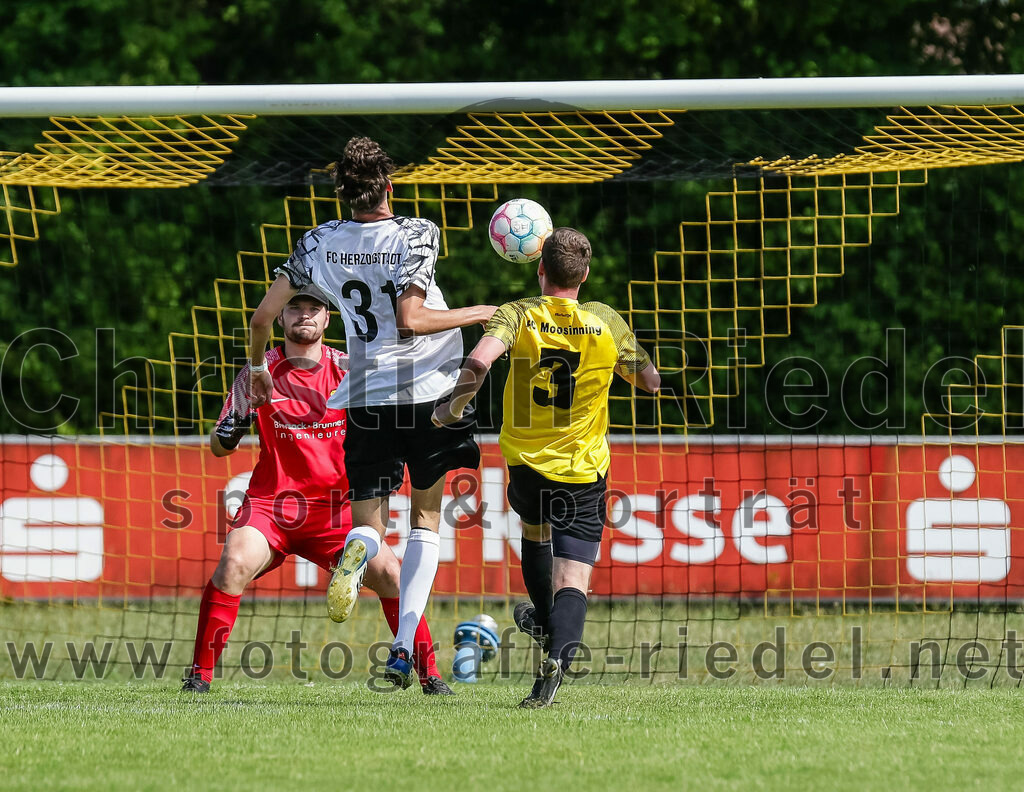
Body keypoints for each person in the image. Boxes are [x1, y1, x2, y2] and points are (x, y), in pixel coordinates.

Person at [247, 137, 496, 690]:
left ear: (342, 191)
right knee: (425, 522)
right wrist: (481, 311)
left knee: (367, 525)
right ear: (389, 186)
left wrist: (259, 368)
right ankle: (403, 646)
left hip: (363, 397)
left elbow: (263, 317)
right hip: (428, 394)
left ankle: (358, 549)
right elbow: (412, 319)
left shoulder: (319, 241)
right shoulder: (416, 232)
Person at [182, 284, 453, 695]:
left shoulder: (349, 369)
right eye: (295, 308)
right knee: (233, 563)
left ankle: (430, 676)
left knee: (392, 576)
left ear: (328, 318)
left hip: (337, 512)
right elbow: (219, 447)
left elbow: (389, 425)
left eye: (314, 308)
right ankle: (198, 678)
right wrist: (235, 424)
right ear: (280, 317)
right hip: (271, 508)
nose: (304, 315)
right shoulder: (258, 372)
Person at [432, 227, 661, 708]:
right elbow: (650, 381)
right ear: (586, 274)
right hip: (582, 469)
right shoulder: (605, 320)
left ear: (540, 269)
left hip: (527, 465)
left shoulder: (518, 313)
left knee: (535, 533)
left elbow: (479, 361)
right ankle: (556, 658)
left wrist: (452, 408)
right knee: (573, 579)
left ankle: (544, 622)